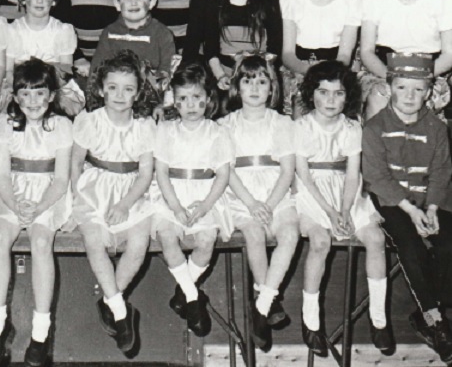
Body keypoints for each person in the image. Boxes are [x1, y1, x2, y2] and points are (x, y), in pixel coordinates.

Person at [294, 61, 390, 357]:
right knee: (321, 242)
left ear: (348, 97)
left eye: (338, 94)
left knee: (376, 239)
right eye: (324, 93)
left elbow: (352, 174)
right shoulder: (300, 126)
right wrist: (330, 212)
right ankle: (310, 322)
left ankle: (379, 319)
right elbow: (304, 175)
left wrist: (345, 210)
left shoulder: (352, 128)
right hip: (310, 193)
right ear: (312, 95)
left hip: (345, 192)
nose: (331, 101)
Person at [362, 52, 452, 363]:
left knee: (449, 243)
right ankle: (434, 320)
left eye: (418, 89)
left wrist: (432, 208)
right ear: (390, 88)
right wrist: (412, 212)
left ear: (429, 91)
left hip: (431, 201)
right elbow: (376, 177)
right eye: (402, 88)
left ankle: (434, 307)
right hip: (393, 204)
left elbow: (442, 171)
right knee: (411, 247)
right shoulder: (374, 129)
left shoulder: (438, 130)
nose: (410, 96)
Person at [0, 59, 72, 367]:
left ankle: (41, 333)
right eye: (25, 93)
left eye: (39, 94)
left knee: (39, 243)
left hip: (48, 194)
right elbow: (3, 176)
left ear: (51, 96)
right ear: (16, 96)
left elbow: (61, 180)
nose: (32, 101)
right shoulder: (4, 124)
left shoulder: (61, 125)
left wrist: (37, 207)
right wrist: (14, 205)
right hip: (12, 193)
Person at [71, 50, 157, 356]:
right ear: (100, 89)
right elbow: (76, 162)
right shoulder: (88, 120)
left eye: (129, 89)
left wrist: (125, 204)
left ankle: (109, 300)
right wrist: (76, 194)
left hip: (131, 190)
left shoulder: (145, 126)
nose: (120, 95)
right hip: (95, 186)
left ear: (138, 93)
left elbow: (146, 173)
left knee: (138, 246)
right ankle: (122, 314)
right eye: (113, 87)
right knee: (94, 244)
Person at [221, 55, 298, 352]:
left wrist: (269, 202)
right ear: (237, 87)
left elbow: (288, 170)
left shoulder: (282, 123)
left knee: (289, 234)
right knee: (253, 233)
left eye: (262, 81)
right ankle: (267, 302)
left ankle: (261, 306)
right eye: (247, 80)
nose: (254, 87)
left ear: (272, 89)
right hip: (242, 195)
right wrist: (253, 203)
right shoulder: (225, 124)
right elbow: (225, 170)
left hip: (275, 194)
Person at [153, 63, 232, 339]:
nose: (191, 105)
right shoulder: (166, 129)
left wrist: (206, 205)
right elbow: (161, 171)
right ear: (174, 100)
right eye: (184, 99)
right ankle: (192, 297)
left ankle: (183, 292)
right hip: (172, 194)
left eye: (198, 97)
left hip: (204, 195)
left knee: (206, 241)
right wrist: (174, 206)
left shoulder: (217, 131)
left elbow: (223, 174)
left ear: (208, 98)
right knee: (167, 236)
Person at [359, 0, 452, 118]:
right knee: (380, 98)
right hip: (383, 72)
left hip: (429, 73)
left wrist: (419, 79)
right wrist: (392, 79)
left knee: (416, 103)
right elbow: (367, 51)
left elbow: (449, 54)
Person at [280, 0, 359, 116]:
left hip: (336, 69)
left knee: (333, 100)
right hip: (299, 67)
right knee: (301, 105)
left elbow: (345, 55)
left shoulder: (352, 0)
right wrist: (308, 71)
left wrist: (326, 77)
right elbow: (288, 53)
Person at [6, 0, 85, 117]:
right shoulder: (12, 30)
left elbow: (65, 70)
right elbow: (9, 71)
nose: (40, 0)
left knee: (69, 107)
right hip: (22, 86)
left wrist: (49, 92)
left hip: (54, 84)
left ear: (54, 0)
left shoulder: (63, 30)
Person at [89, 0, 176, 86]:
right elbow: (96, 70)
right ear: (117, 4)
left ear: (151, 2)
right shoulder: (109, 33)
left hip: (151, 93)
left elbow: (167, 69)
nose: (133, 3)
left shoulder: (162, 33)